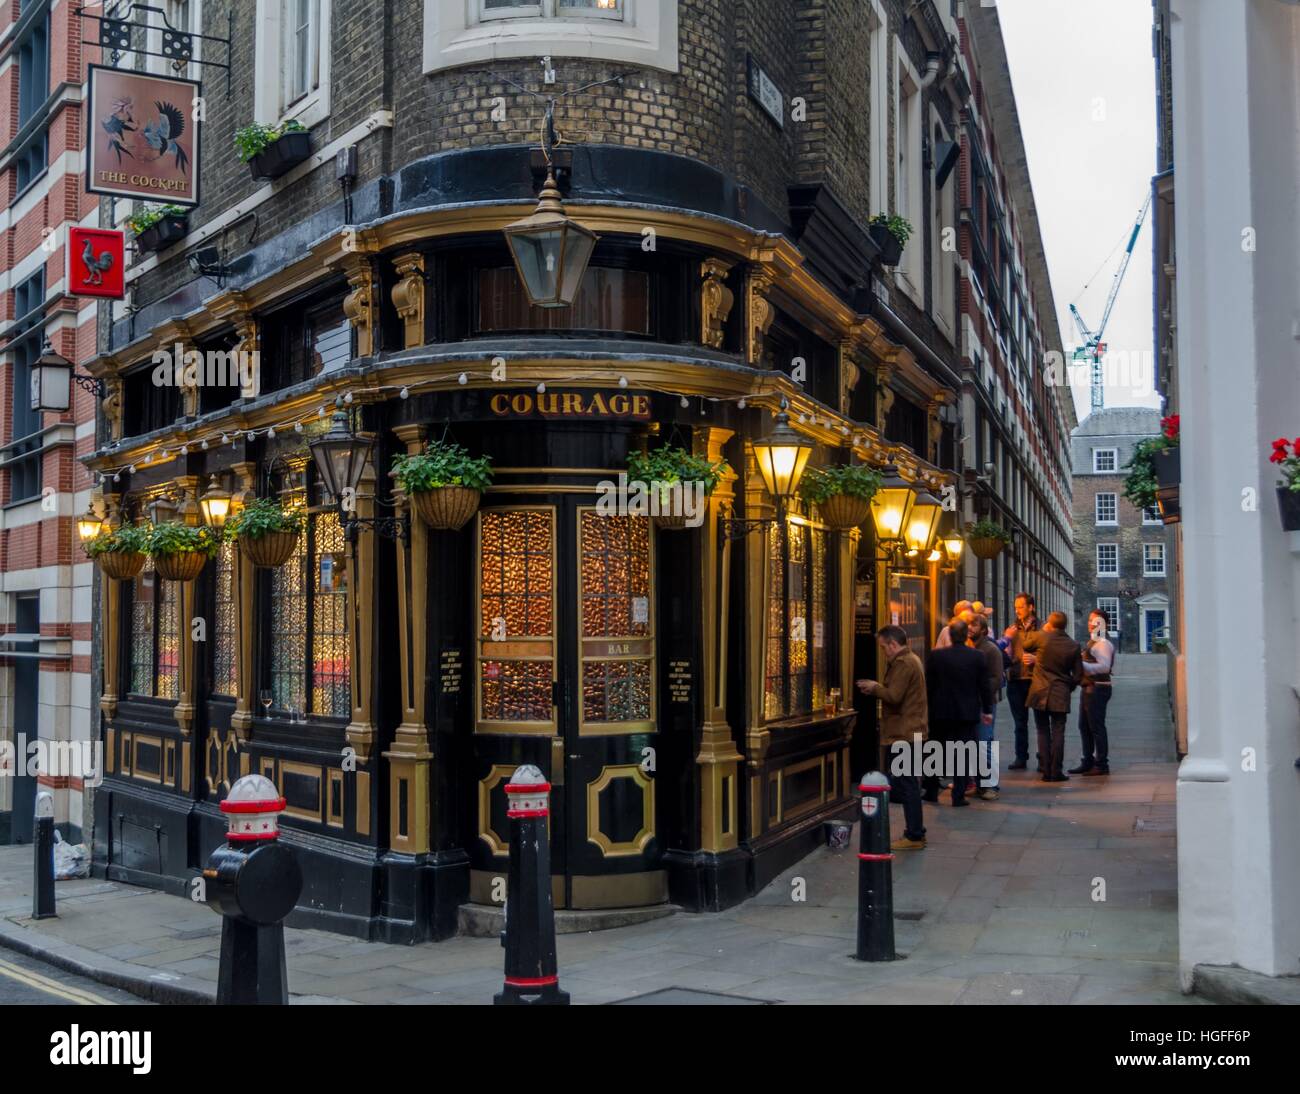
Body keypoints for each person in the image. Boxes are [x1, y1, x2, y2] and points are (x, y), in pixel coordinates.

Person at [857, 625, 929, 850]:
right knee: (908, 783)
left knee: (907, 785)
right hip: (910, 730)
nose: (883, 652)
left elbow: (894, 696)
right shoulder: (911, 659)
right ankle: (915, 832)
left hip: (905, 733)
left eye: (884, 648)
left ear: (893, 644)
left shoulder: (903, 663)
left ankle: (914, 835)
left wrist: (875, 687)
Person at [923, 618, 995, 807]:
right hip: (966, 713)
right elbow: (984, 686)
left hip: (940, 712)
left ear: (950, 635)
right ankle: (958, 795)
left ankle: (931, 791)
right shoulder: (977, 656)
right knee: (963, 753)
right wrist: (987, 710)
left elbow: (928, 686)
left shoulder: (936, 656)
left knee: (935, 751)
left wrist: (927, 709)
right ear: (966, 636)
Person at [1021, 611, 1084, 782]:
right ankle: (1056, 771)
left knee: (1042, 730)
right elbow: (1078, 675)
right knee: (1058, 731)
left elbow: (1026, 645)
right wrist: (1067, 687)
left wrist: (1037, 630)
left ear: (1050, 623)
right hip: (1060, 691)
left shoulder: (1042, 637)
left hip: (1039, 690)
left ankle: (1045, 769)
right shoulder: (1073, 645)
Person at [1071, 608, 1116, 775]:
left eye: (1096, 621)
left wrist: (1081, 665)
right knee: (1084, 726)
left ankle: (1101, 764)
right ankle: (1088, 760)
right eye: (1090, 620)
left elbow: (1104, 666)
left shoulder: (1103, 643)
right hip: (1089, 687)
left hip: (1098, 688)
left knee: (1096, 727)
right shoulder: (1094, 641)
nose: (1091, 624)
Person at [968, 614, 1007, 800]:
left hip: (985, 703)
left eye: (974, 625)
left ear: (983, 630)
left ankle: (991, 785)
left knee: (985, 742)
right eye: (968, 624)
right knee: (975, 744)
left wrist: (977, 689)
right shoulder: (971, 648)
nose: (970, 628)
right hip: (971, 702)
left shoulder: (991, 650)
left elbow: (997, 679)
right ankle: (980, 783)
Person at [1004, 593, 1040, 770]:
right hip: (1016, 679)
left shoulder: (1041, 628)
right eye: (1016, 607)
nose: (1017, 610)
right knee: (1020, 722)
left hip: (1036, 680)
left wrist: (1036, 658)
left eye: (1021, 607)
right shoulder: (1012, 629)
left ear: (1031, 607)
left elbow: (1049, 653)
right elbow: (1007, 655)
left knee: (1041, 721)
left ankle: (1044, 758)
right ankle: (1021, 757)